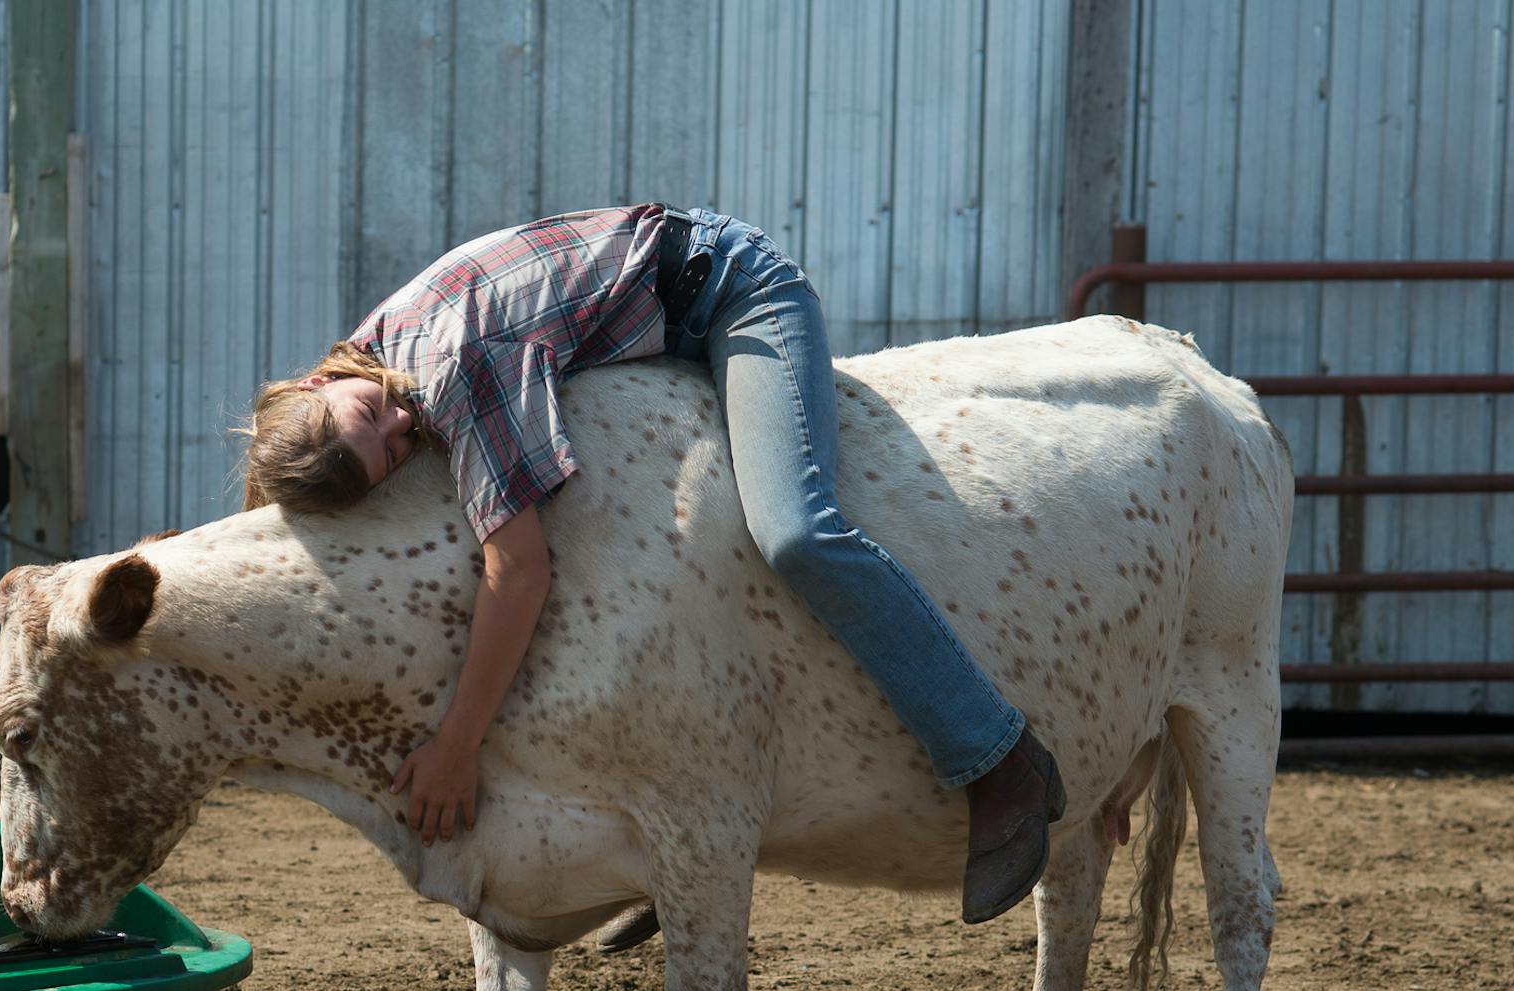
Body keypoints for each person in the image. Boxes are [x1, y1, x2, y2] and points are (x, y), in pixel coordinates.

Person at [240, 205, 1063, 923]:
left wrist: (457, 746)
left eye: (368, 419)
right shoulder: (369, 355)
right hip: (640, 323)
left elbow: (518, 572)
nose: (395, 431)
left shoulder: (452, 369)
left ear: (319, 380)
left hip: (732, 287)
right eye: (385, 455)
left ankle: (997, 756)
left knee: (795, 532)